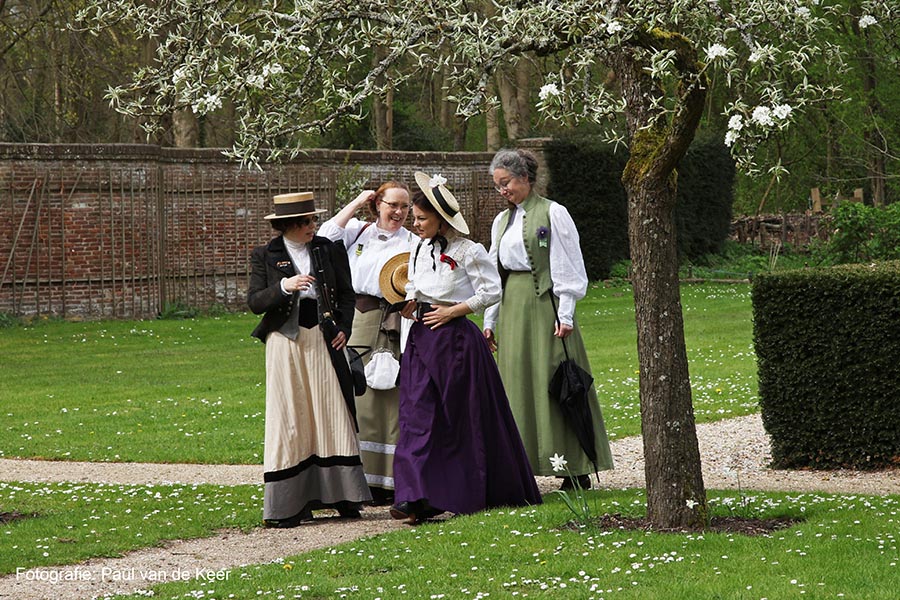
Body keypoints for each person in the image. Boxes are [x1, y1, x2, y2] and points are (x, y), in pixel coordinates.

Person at [390, 172, 541, 525]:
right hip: (420, 339)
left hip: (455, 343)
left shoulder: (468, 250)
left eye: (422, 219)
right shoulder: (417, 246)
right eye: (414, 218)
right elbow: (416, 281)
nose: (415, 224)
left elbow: (492, 291)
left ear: (442, 220)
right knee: (416, 416)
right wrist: (412, 300)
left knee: (457, 419)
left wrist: (455, 310)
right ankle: (413, 496)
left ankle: (455, 492)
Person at [483, 149, 614, 489]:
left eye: (506, 183)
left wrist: (566, 313)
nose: (502, 191)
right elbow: (494, 275)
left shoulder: (554, 213)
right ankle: (522, 464)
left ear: (525, 178)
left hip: (545, 307)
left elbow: (568, 265)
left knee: (553, 381)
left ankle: (574, 466)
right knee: (516, 384)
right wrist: (490, 320)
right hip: (512, 307)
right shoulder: (501, 222)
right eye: (498, 186)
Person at [247, 191, 372, 527]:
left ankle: (344, 496)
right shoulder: (265, 255)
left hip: (322, 336)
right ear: (287, 225)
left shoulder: (327, 249)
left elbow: (347, 293)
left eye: (314, 220)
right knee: (290, 414)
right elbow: (256, 302)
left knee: (331, 409)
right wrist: (285, 286)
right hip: (284, 340)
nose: (312, 226)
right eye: (305, 222)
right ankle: (288, 504)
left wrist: (344, 327)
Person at [317, 182, 415, 505]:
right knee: (361, 394)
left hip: (397, 320)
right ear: (378, 205)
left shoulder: (413, 242)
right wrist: (359, 200)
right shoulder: (358, 232)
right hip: (360, 319)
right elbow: (324, 236)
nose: (399, 212)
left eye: (405, 207)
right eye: (392, 205)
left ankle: (391, 480)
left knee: (394, 397)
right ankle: (360, 480)